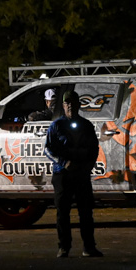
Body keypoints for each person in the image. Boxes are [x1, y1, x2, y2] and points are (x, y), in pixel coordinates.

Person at [45, 90, 102, 258]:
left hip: (82, 174)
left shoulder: (86, 125)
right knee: (63, 212)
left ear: (79, 104)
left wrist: (88, 166)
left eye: (73, 102)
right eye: (67, 102)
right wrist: (64, 163)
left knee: (86, 212)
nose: (70, 105)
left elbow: (94, 148)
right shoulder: (56, 125)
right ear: (63, 106)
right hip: (62, 174)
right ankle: (64, 247)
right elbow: (48, 149)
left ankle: (89, 247)